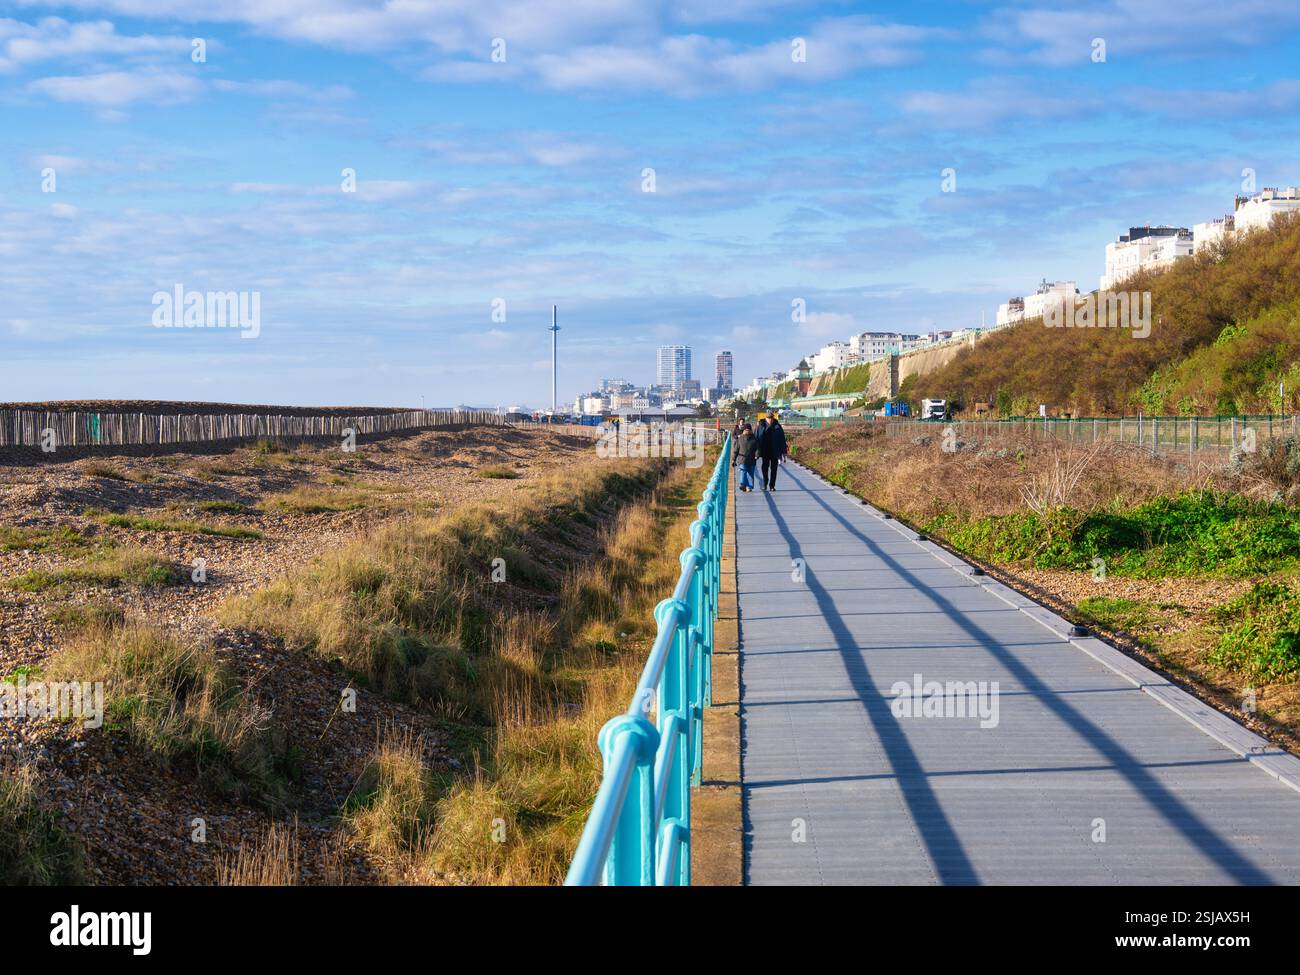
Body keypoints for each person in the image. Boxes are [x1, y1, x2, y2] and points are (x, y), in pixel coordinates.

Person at [760, 411, 788, 490]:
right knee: (764, 468)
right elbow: (757, 437)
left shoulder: (778, 426)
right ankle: (765, 483)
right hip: (765, 450)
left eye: (771, 418)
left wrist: (784, 451)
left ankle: (772, 485)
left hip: (775, 450)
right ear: (765, 418)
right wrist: (756, 451)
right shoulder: (761, 425)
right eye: (768, 418)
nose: (770, 419)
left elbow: (782, 439)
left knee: (774, 469)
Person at [736, 423, 759, 492]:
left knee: (750, 473)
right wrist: (733, 459)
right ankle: (742, 484)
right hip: (742, 458)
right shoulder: (740, 439)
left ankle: (749, 486)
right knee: (743, 471)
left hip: (752, 458)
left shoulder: (754, 439)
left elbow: (758, 448)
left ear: (751, 430)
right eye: (746, 430)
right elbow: (736, 449)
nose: (747, 431)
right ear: (743, 430)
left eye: (749, 430)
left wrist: (757, 455)